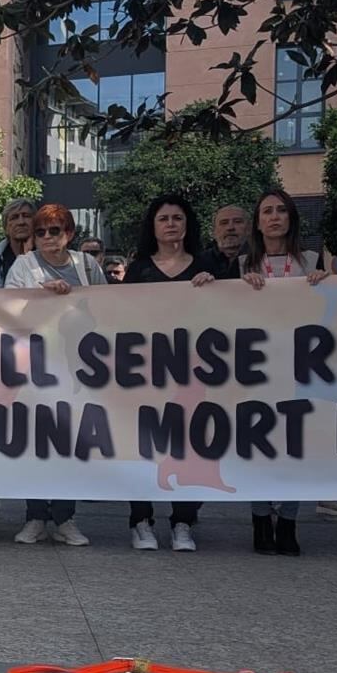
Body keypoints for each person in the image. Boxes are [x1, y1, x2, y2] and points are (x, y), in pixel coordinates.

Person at [234, 188, 332, 556]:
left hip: (302, 366)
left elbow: (333, 310)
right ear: (257, 223)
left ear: (291, 218)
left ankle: (288, 521)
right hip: (255, 369)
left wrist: (327, 285)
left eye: (281, 211)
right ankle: (261, 519)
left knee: (294, 446)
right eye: (266, 212)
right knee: (259, 446)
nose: (274, 217)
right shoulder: (243, 266)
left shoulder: (311, 261)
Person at [121, 194, 216, 551]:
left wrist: (217, 289)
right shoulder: (140, 269)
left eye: (178, 217)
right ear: (154, 226)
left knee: (189, 446)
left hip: (193, 372)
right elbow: (123, 317)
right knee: (144, 446)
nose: (172, 224)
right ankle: (141, 520)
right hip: (147, 371)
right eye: (164, 218)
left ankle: (183, 521)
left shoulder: (206, 265)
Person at [4, 203, 103, 547]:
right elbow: (9, 311)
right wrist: (40, 297)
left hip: (79, 369)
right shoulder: (23, 266)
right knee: (35, 444)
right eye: (41, 232)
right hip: (35, 368)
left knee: (69, 446)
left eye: (55, 231)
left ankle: (64, 517)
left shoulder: (87, 266)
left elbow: (108, 308)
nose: (47, 238)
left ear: (70, 235)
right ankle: (35, 517)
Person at [0, 197, 36, 287]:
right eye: (14, 218)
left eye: (26, 216)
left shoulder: (47, 253)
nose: (21, 222)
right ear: (6, 227)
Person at [205, 203, 251, 273]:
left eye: (237, 222)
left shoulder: (261, 258)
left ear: (249, 229)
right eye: (224, 223)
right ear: (214, 231)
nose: (230, 227)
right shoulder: (199, 261)